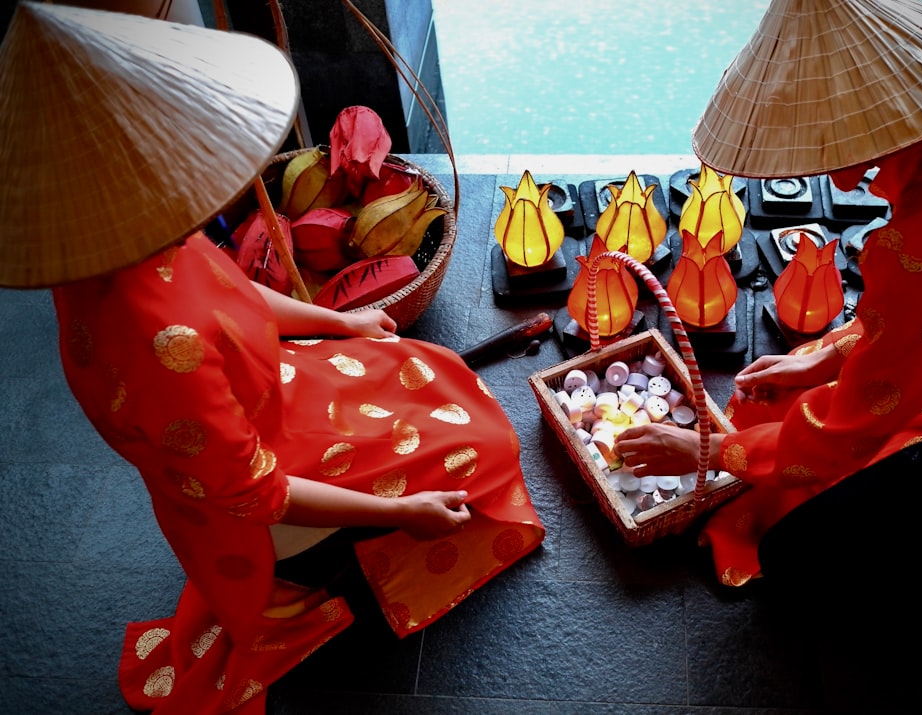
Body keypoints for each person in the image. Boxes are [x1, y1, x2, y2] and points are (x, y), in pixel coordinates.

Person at [0, 4, 543, 713]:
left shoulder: (119, 254)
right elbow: (261, 492)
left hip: (268, 394)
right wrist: (407, 510)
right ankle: (336, 552)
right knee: (488, 441)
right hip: (258, 478)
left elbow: (240, 301)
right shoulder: (163, 347)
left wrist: (337, 321)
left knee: (427, 366)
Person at [615, 0, 922, 673]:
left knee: (800, 557)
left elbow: (849, 427)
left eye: (839, 149)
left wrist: (711, 448)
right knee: (805, 369)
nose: (837, 175)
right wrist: (829, 356)